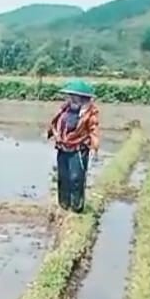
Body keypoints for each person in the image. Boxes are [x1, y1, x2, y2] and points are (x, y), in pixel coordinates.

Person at [46, 79, 101, 213]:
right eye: (70, 96)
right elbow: (55, 123)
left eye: (74, 96)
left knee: (76, 178)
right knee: (63, 177)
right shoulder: (64, 110)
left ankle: (76, 208)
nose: (71, 99)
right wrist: (52, 133)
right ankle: (63, 206)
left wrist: (94, 148)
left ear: (83, 99)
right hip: (62, 147)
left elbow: (93, 130)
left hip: (78, 150)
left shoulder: (89, 113)